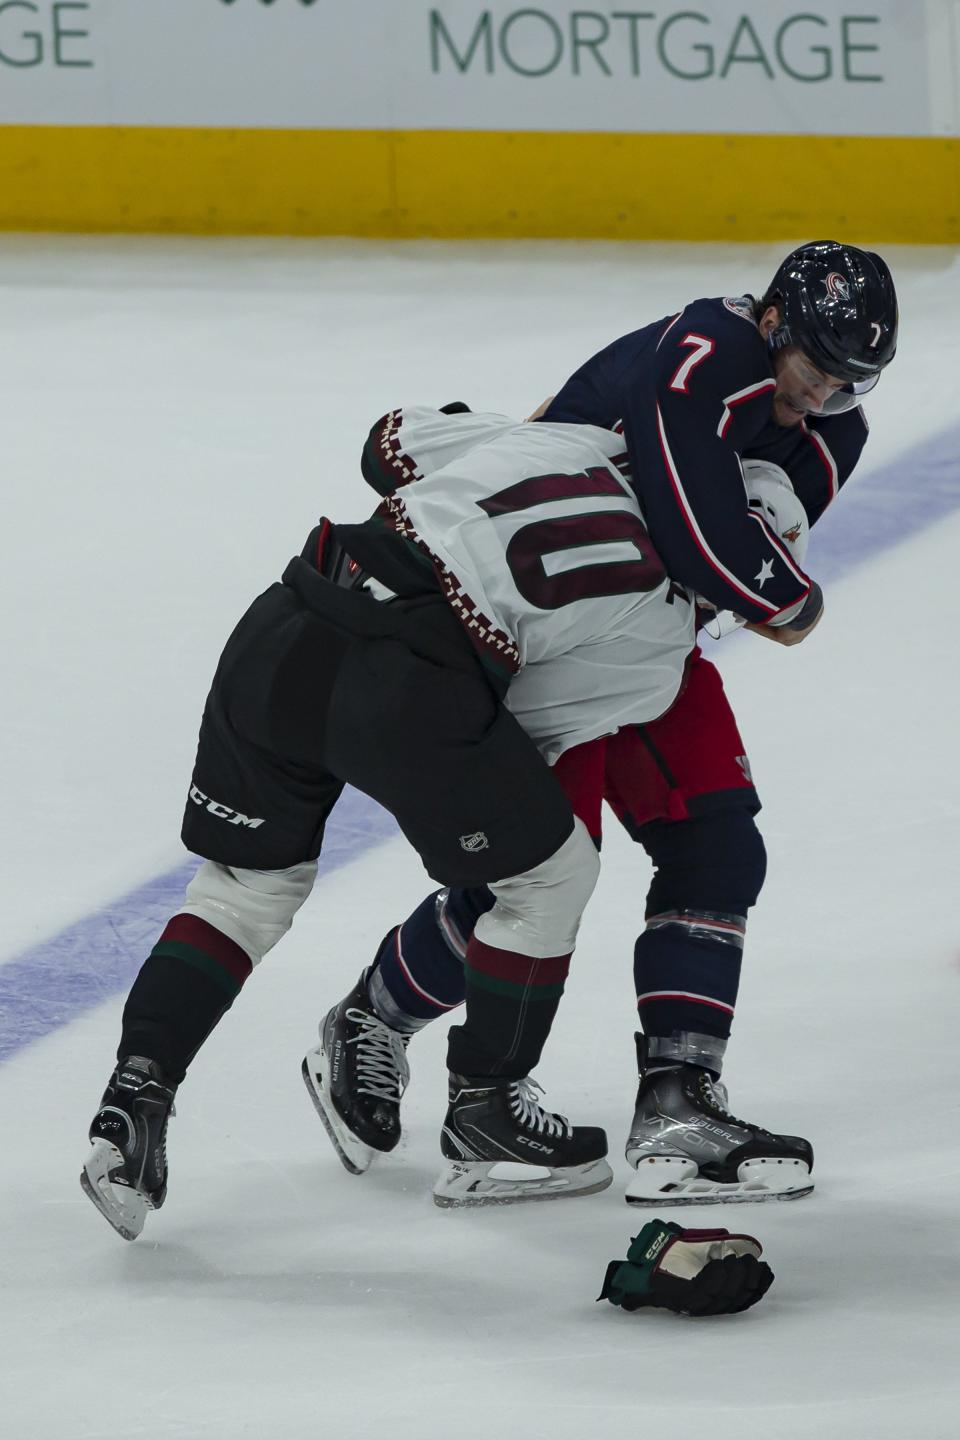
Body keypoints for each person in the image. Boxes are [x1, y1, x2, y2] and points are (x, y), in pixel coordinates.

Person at [303, 240, 898, 1207]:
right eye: (812, 372)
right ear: (777, 320)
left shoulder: (834, 427)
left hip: (645, 644)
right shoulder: (708, 346)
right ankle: (372, 1021)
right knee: (533, 875)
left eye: (846, 388)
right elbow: (706, 535)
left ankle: (678, 1097)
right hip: (539, 637)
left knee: (716, 846)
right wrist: (792, 601)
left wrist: (756, 589)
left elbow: (732, 566)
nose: (820, 401)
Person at [81, 401, 723, 1240]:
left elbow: (391, 441)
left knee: (242, 889)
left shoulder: (572, 441)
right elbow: (530, 730)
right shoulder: (663, 624)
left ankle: (133, 1100)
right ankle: (488, 1116)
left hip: (288, 616)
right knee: (550, 875)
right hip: (404, 679)